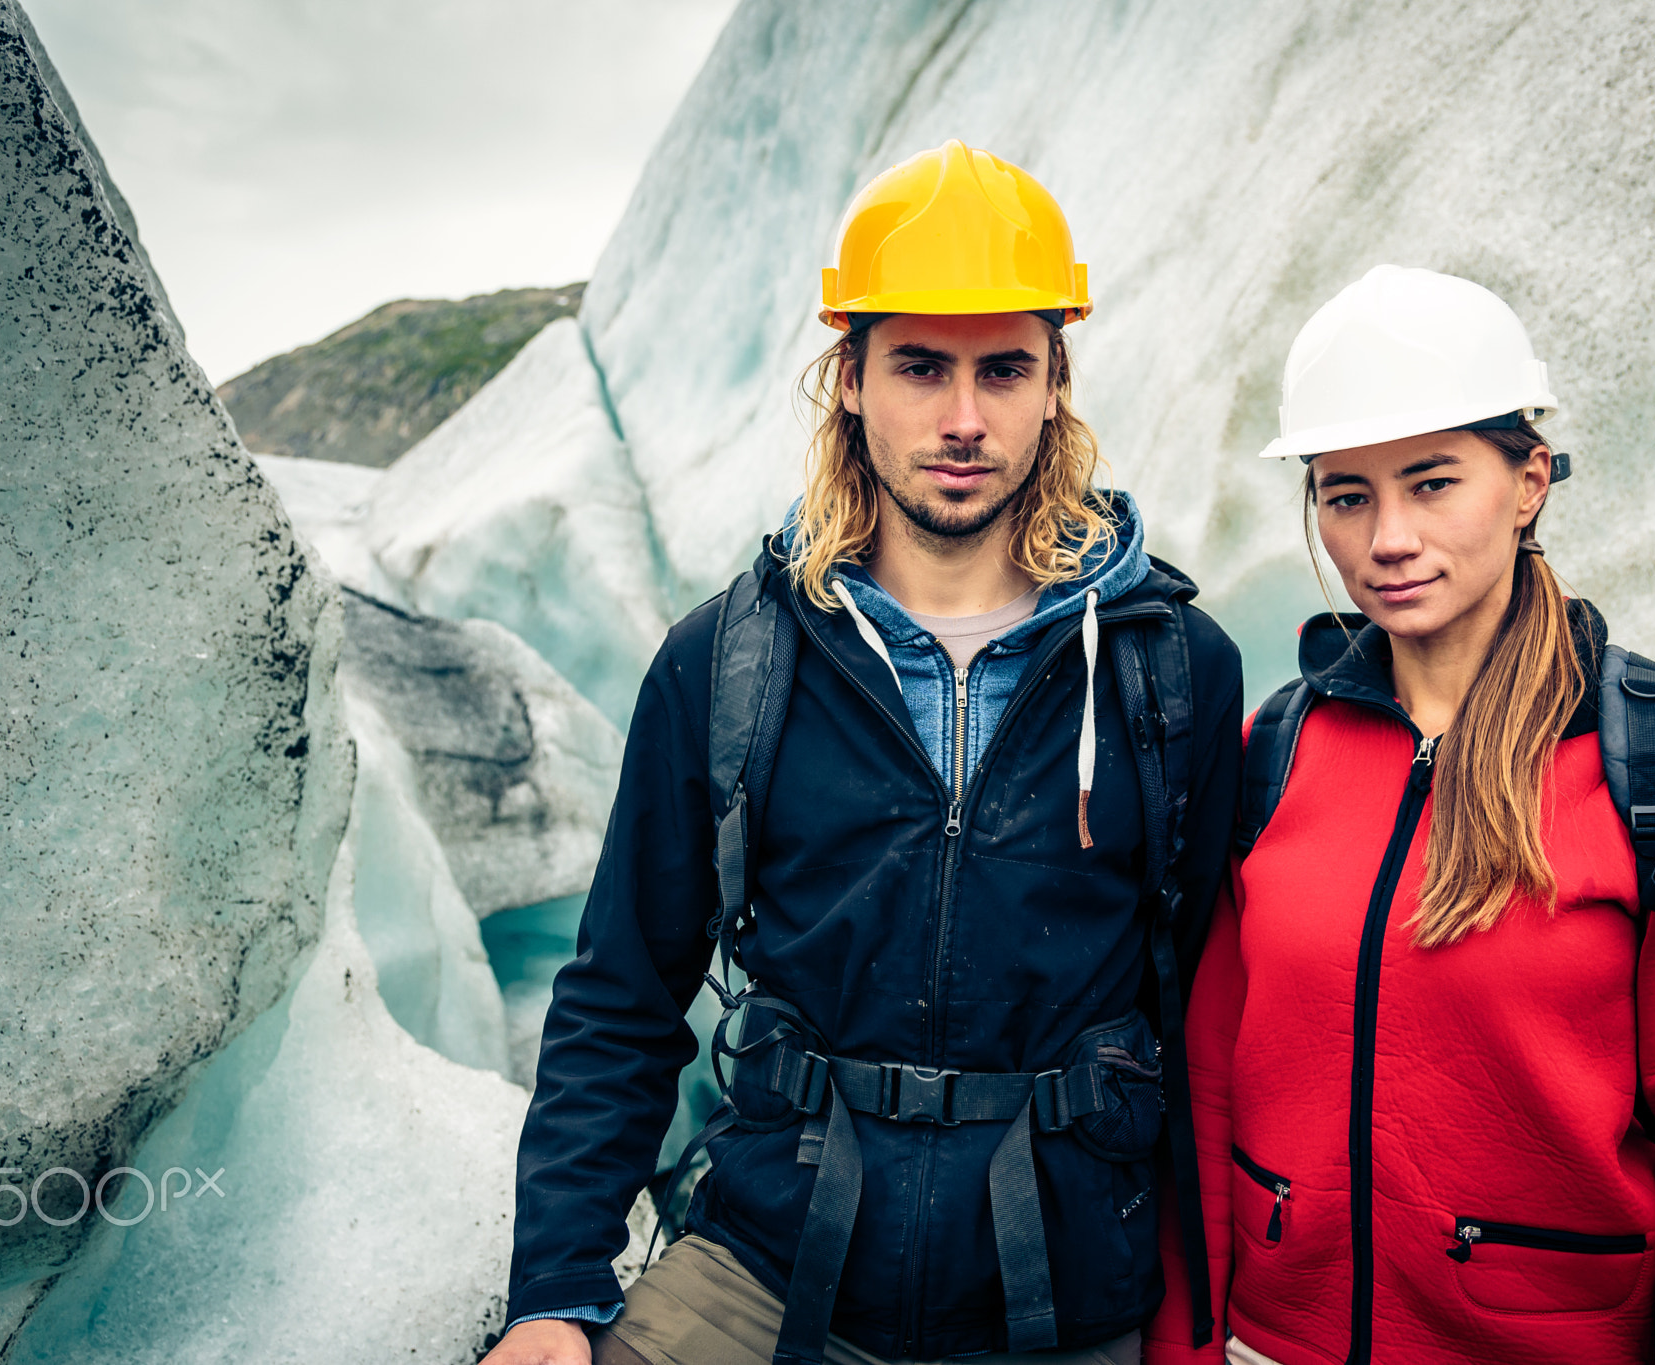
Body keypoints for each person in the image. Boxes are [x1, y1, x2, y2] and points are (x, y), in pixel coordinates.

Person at [491, 140, 1243, 1365]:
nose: (961, 419)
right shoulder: (728, 660)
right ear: (848, 378)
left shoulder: (1171, 669)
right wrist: (550, 1294)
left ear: (1055, 381)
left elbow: (1207, 1006)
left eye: (1003, 369)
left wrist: (1198, 1316)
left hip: (1055, 1295)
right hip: (766, 1265)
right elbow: (622, 995)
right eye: (918, 367)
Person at [1144, 266, 1655, 1365]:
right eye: (1344, 494)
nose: (1385, 538)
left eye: (1431, 482)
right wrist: (1187, 1349)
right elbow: (1208, 1083)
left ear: (1528, 480)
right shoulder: (1276, 753)